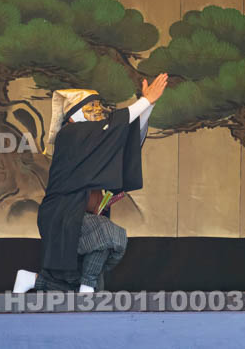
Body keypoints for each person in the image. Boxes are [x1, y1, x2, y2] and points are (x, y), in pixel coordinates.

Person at [13, 73, 168, 293]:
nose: (98, 111)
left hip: (79, 214)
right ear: (72, 116)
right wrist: (144, 101)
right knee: (108, 235)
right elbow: (112, 127)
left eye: (99, 107)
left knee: (79, 278)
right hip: (62, 214)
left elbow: (126, 137)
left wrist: (149, 105)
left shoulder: (93, 139)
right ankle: (87, 291)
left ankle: (32, 280)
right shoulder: (71, 134)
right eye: (91, 107)